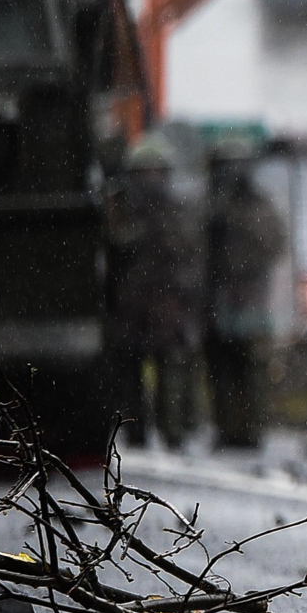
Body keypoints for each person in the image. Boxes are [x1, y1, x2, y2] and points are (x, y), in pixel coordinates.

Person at [107, 136, 200, 449]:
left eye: (156, 172)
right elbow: (113, 250)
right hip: (131, 305)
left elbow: (190, 252)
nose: (151, 179)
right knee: (129, 373)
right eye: (144, 173)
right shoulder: (121, 210)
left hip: (168, 303)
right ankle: (136, 432)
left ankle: (173, 431)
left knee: (172, 370)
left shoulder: (177, 211)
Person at [202, 137, 288, 450]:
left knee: (250, 370)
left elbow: (272, 244)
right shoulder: (212, 206)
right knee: (222, 368)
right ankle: (228, 428)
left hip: (249, 302)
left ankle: (250, 431)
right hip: (219, 302)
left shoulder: (256, 205)